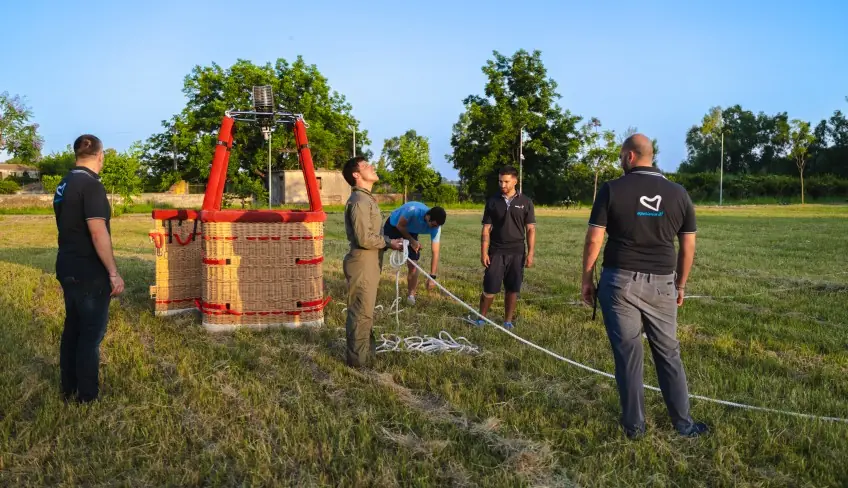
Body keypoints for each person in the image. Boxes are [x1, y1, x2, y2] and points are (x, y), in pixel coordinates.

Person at [580, 133, 708, 439]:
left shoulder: (611, 189)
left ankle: (635, 428)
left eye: (621, 157)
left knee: (628, 356)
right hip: (663, 283)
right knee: (669, 354)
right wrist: (681, 284)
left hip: (619, 282)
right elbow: (688, 246)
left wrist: (587, 277)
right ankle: (684, 424)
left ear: (629, 157)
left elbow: (595, 237)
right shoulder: (679, 194)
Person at [53, 134, 125, 403]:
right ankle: (87, 396)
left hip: (66, 264)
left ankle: (68, 388)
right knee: (90, 336)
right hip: (88, 271)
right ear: (100, 155)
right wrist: (113, 273)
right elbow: (98, 233)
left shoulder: (64, 183)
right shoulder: (91, 185)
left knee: (73, 328)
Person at [341, 156, 403, 368]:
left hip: (370, 261)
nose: (372, 167)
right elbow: (364, 238)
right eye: (366, 166)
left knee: (365, 310)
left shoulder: (366, 198)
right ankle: (358, 364)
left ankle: (365, 355)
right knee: (361, 311)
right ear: (356, 175)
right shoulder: (359, 201)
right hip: (362, 262)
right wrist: (389, 242)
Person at [471, 165, 536, 329]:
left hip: (517, 251)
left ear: (515, 181)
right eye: (500, 181)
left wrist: (530, 253)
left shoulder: (526, 202)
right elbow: (486, 229)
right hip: (496, 250)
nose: (502, 185)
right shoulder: (492, 201)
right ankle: (481, 318)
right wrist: (484, 252)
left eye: (506, 181)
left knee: (512, 288)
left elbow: (530, 229)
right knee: (490, 287)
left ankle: (507, 321)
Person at [383, 201, 447, 305]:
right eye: (433, 225)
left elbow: (435, 252)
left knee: (413, 264)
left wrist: (432, 277)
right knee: (379, 247)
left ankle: (411, 295)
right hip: (394, 225)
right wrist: (412, 241)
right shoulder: (413, 211)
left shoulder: (436, 228)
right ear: (428, 216)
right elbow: (400, 226)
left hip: (411, 231)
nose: (434, 228)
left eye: (437, 226)